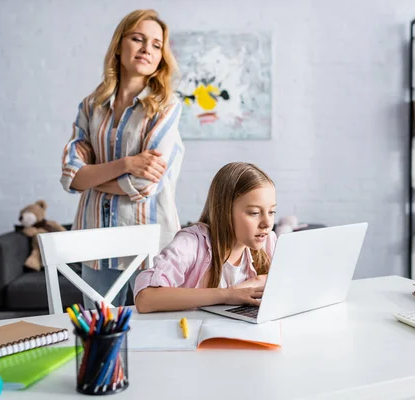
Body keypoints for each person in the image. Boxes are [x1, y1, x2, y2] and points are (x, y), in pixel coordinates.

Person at [60, 9, 184, 307]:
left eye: (156, 45)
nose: (146, 49)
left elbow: (143, 186)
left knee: (152, 334)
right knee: (100, 333)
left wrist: (92, 178)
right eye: (138, 39)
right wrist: (126, 164)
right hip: (94, 239)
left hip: (149, 241)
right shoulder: (90, 107)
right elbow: (70, 176)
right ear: (119, 46)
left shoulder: (166, 106)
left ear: (161, 57)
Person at [134, 162, 278, 313]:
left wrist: (255, 282)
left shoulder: (268, 241)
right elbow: (145, 298)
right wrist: (227, 295)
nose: (267, 223)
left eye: (271, 212)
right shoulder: (191, 243)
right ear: (225, 211)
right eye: (254, 213)